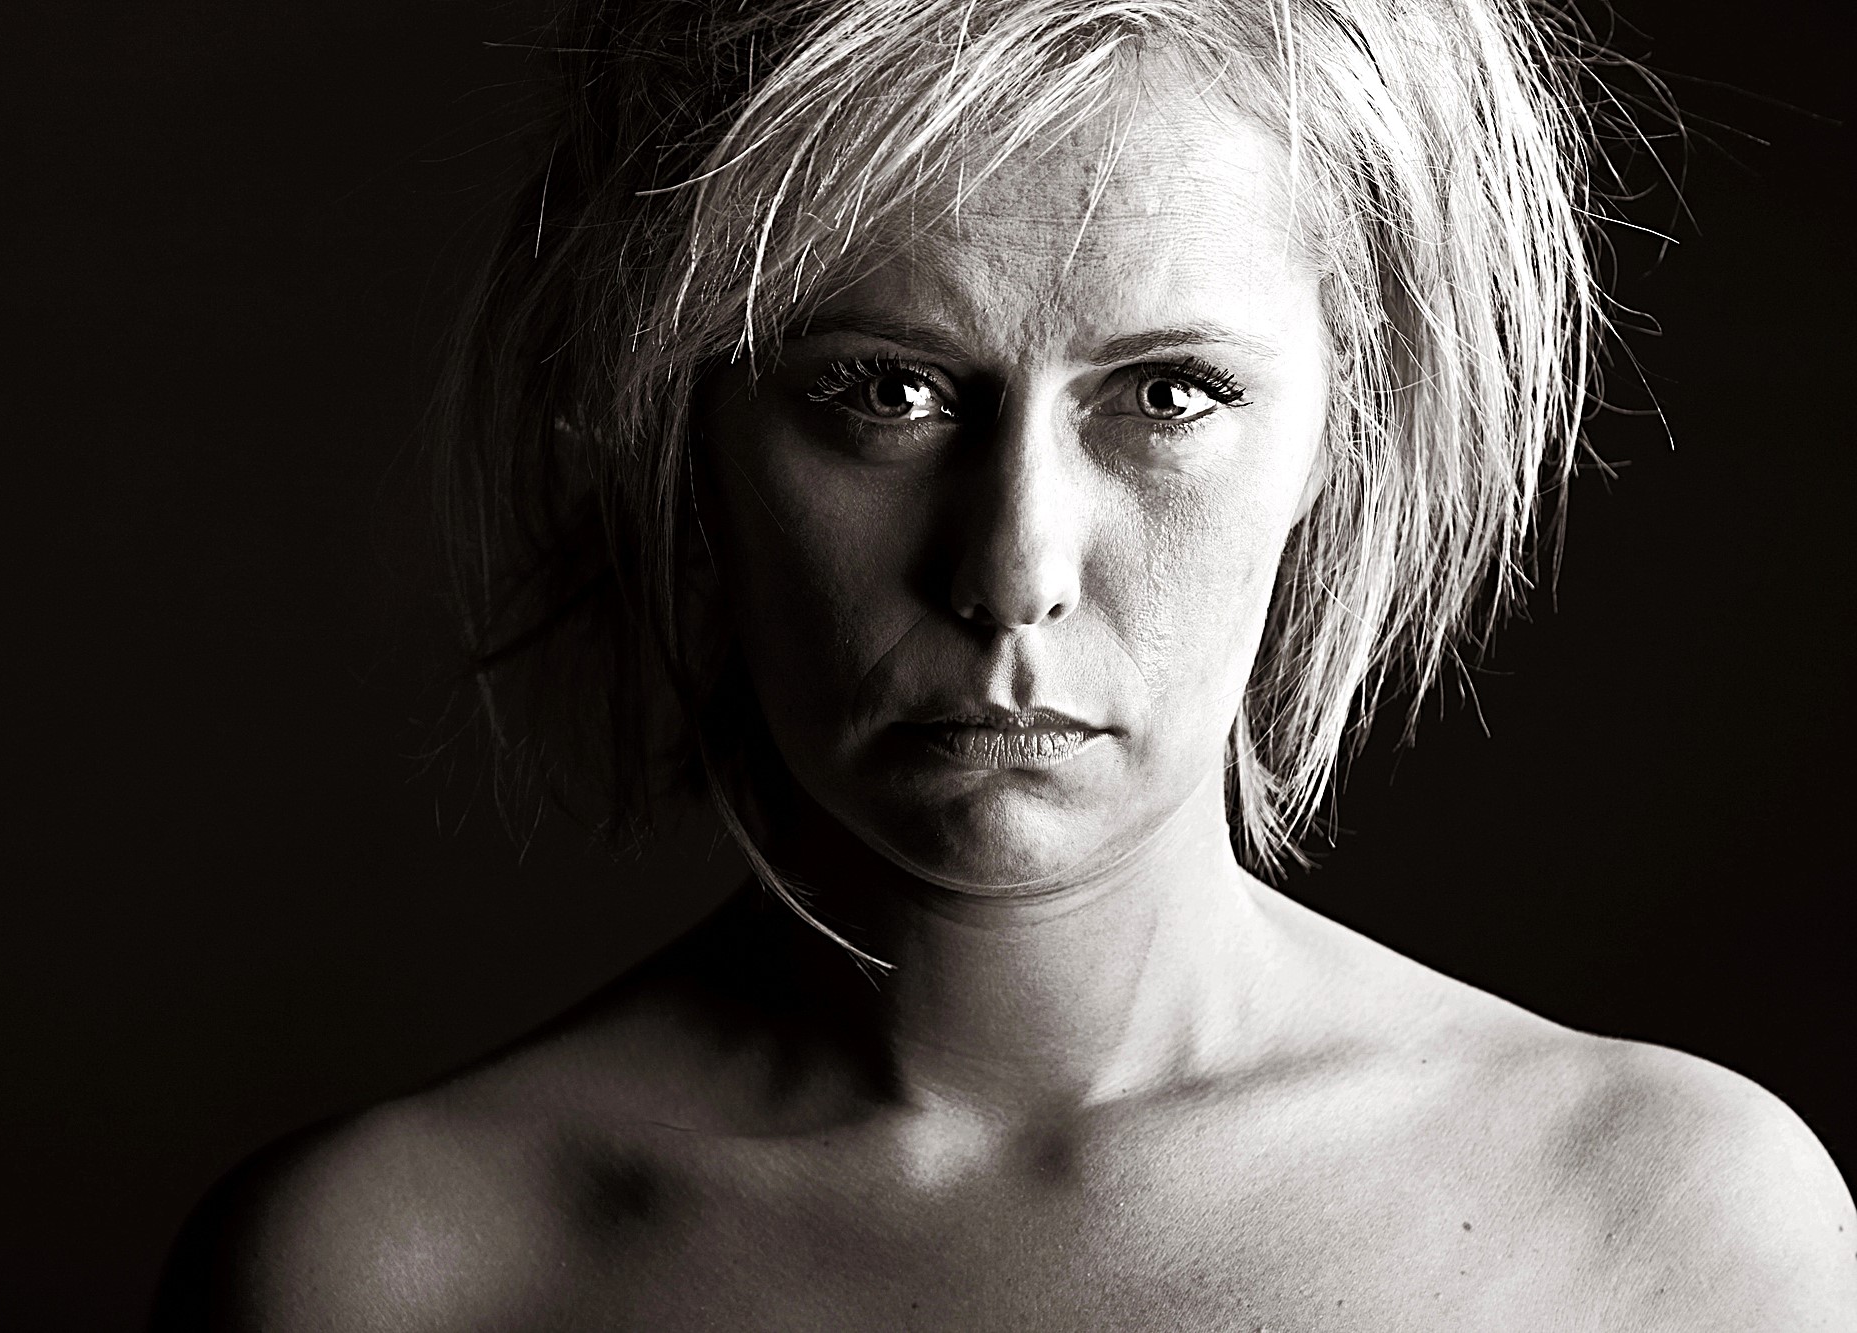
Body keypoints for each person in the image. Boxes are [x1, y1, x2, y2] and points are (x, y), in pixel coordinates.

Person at [155, 0, 1856, 1326]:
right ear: (686, 429)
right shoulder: (379, 1277)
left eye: (1170, 393)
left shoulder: (1675, 1231)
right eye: (882, 389)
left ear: (1350, 431)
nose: (1012, 568)